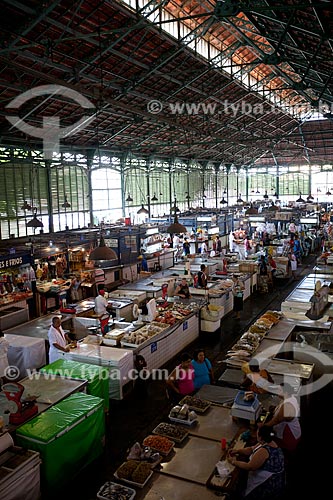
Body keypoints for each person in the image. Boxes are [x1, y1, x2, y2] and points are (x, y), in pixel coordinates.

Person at [228, 425, 285, 500]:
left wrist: (233, 461)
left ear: (260, 437)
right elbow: (251, 449)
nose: (256, 434)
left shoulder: (264, 451)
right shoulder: (267, 441)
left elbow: (250, 466)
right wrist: (238, 451)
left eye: (257, 433)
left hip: (266, 484)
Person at [259, 383, 301, 453]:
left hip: (289, 435)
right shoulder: (290, 398)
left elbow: (276, 420)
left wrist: (264, 425)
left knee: (285, 451)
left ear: (286, 392)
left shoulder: (288, 405)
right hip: (289, 431)